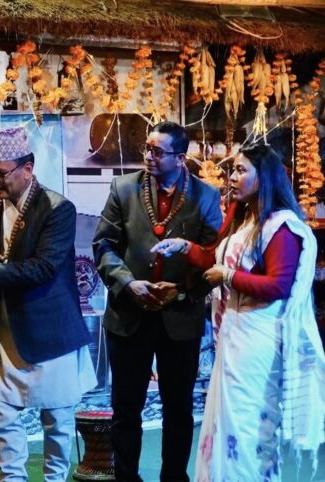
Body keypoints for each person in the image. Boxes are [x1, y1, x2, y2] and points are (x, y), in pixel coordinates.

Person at [151, 143, 325, 481]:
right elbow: (215, 261)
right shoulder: (245, 219)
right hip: (234, 335)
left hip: (258, 339)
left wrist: (228, 277)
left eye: (241, 170)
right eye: (232, 170)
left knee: (247, 426)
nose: (232, 177)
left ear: (265, 178)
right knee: (225, 423)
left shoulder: (281, 226)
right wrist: (185, 248)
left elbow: (278, 285)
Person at [0, 126, 97, 482]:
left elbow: (43, 268)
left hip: (52, 331)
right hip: (6, 331)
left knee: (57, 422)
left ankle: (55, 479)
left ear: (27, 168)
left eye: (0, 174)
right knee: (3, 418)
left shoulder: (58, 209)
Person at [92, 121, 223, 482]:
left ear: (180, 158)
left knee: (178, 411)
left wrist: (180, 291)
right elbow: (103, 246)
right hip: (129, 314)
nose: (149, 156)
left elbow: (213, 255)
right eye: (147, 149)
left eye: (158, 151)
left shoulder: (206, 196)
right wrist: (128, 283)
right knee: (126, 410)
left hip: (179, 317)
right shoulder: (123, 188)